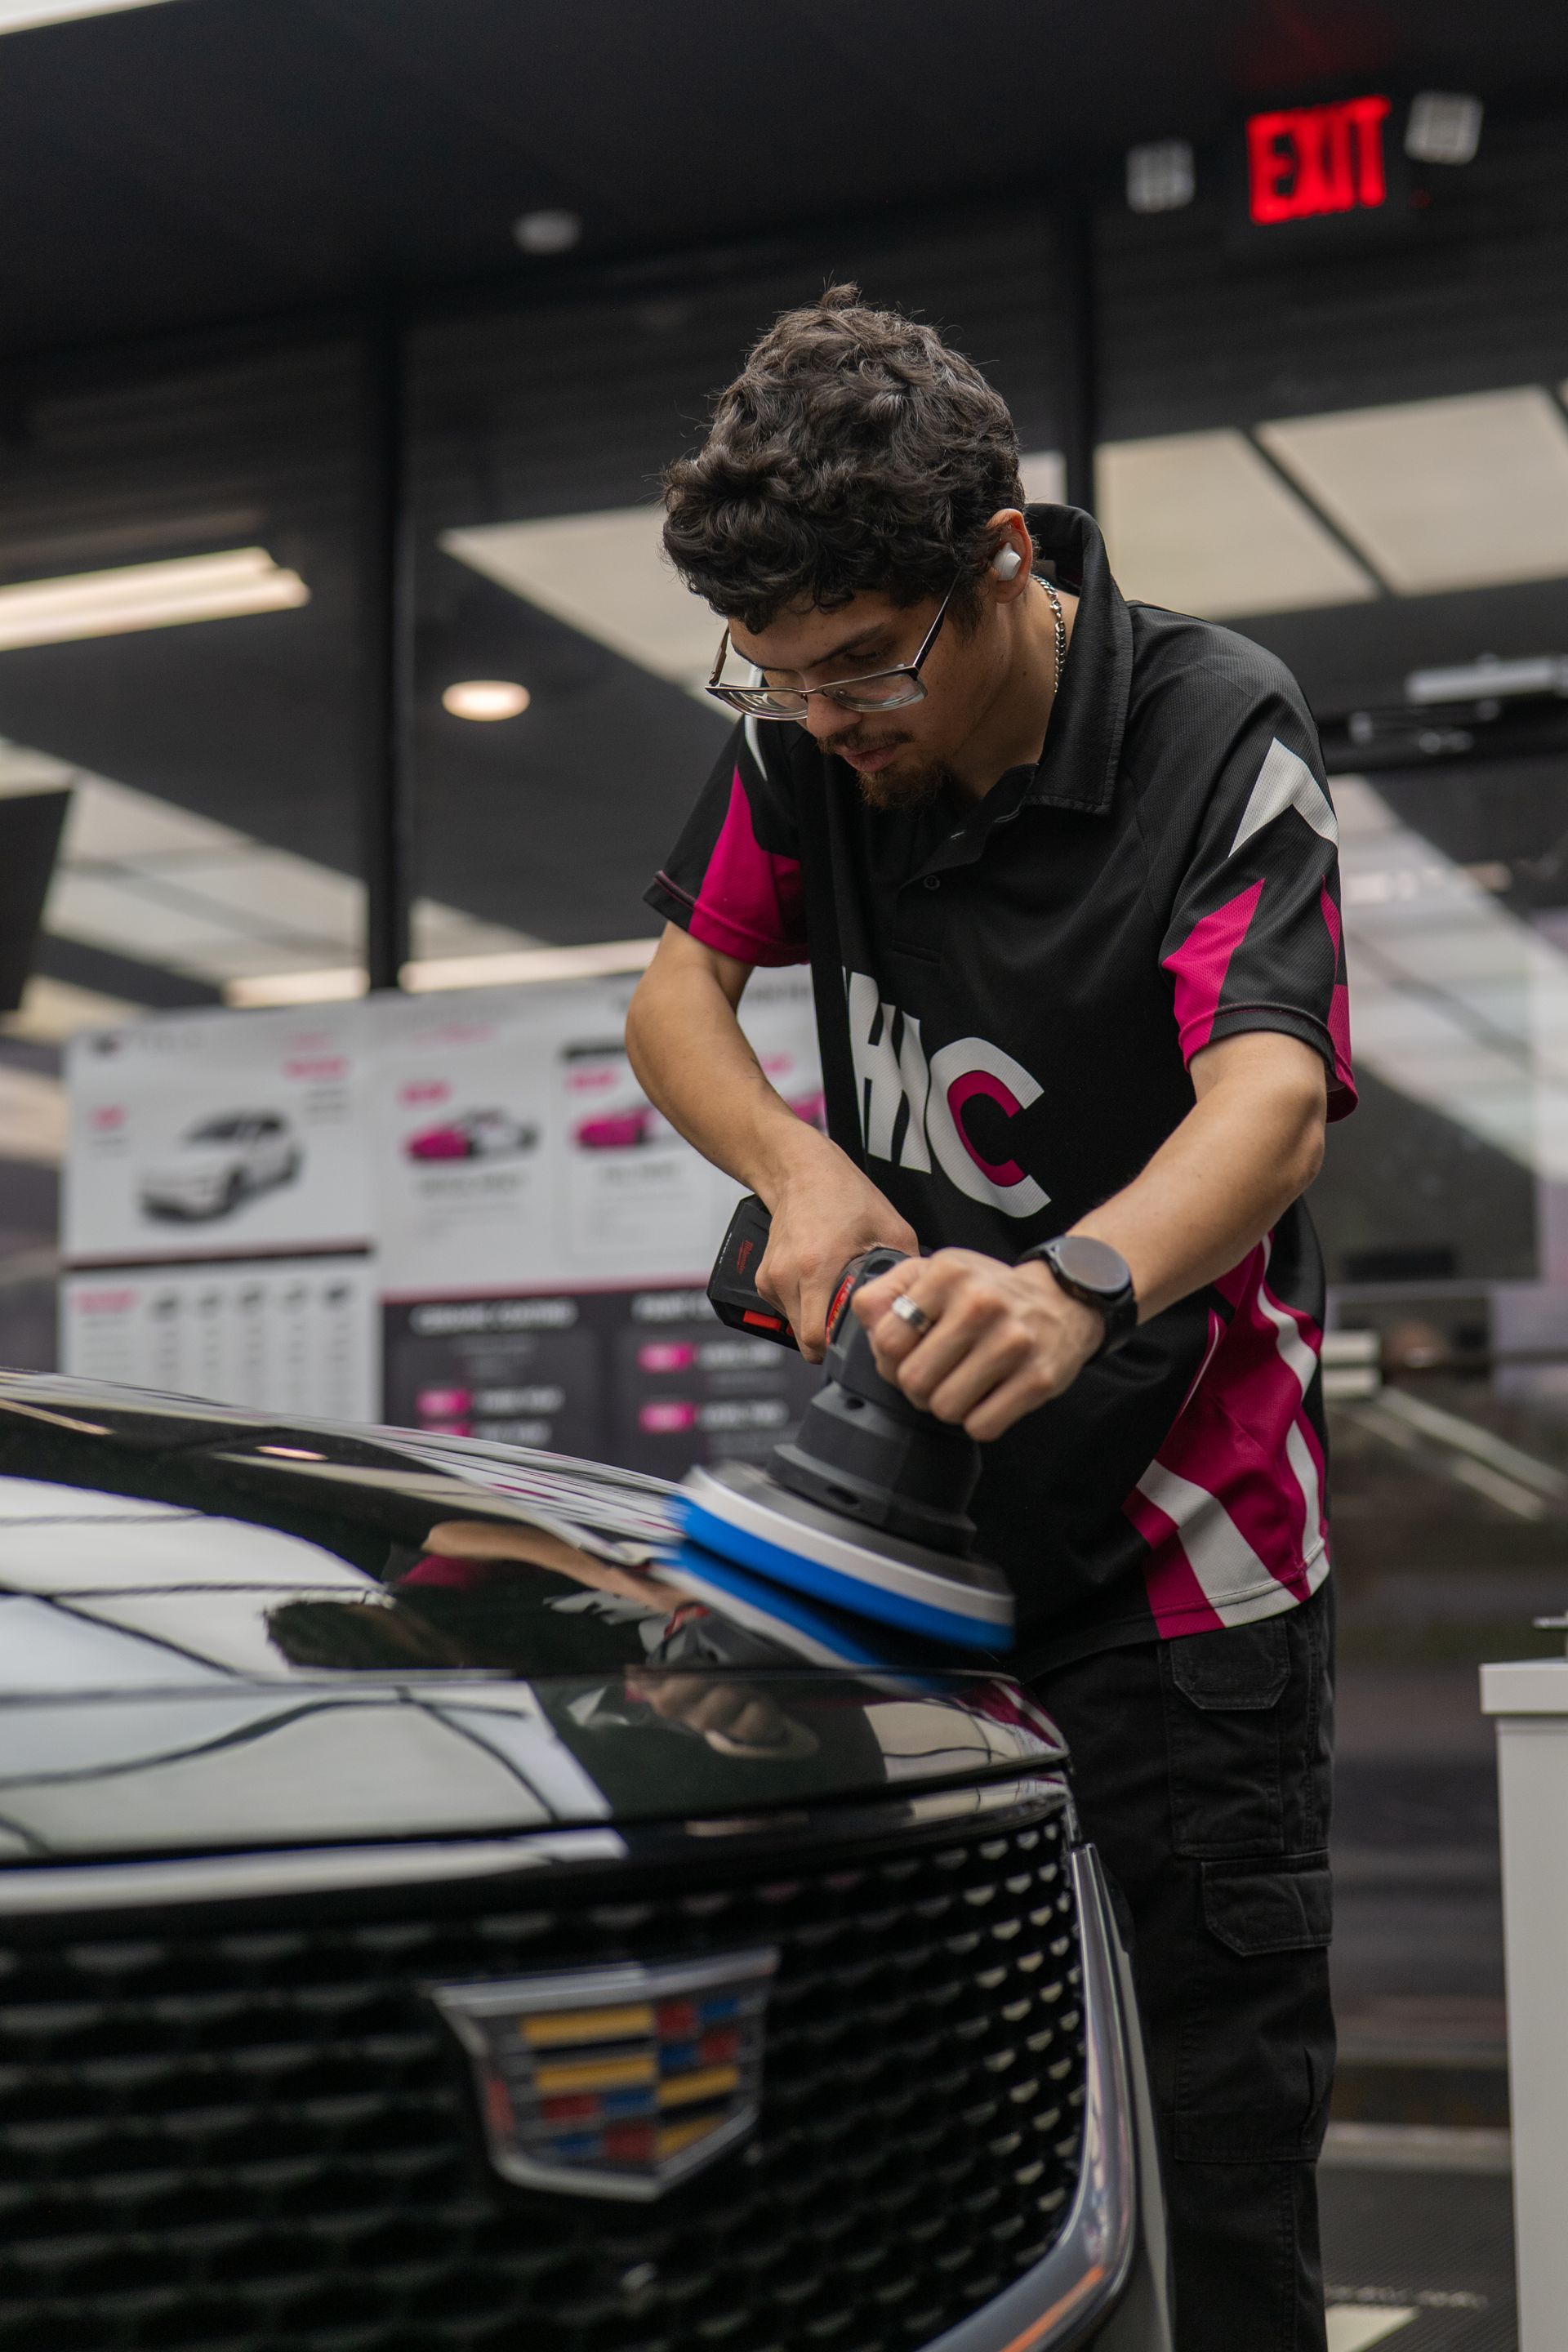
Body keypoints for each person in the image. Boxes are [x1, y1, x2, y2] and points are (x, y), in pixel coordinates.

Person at [625, 284, 1349, 2352]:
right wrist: (792, 1165)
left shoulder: (1216, 728)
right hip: (904, 1551)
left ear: (1005, 565)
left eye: (867, 669)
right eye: (774, 679)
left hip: (1179, 1568)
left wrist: (1078, 1284)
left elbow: (1272, 1096)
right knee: (909, 2132)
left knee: (1205, 2158)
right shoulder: (806, 741)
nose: (828, 720)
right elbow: (677, 1001)